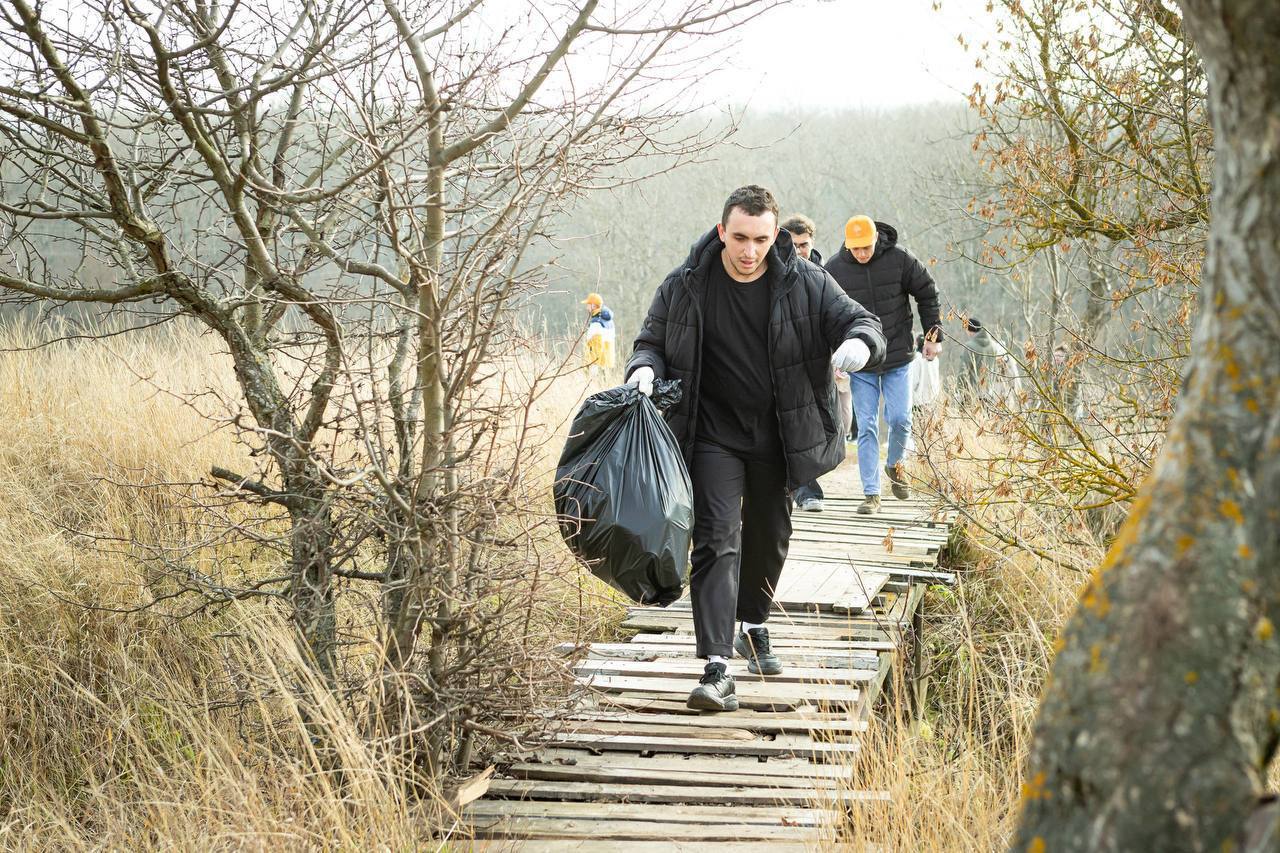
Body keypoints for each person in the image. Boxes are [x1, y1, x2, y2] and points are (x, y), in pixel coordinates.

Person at [625, 185, 886, 712]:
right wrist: (644, 371)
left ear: (776, 237)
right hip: (711, 436)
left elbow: (864, 322)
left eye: (761, 240)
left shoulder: (807, 283)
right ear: (722, 231)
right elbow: (649, 341)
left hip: (779, 436)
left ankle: (755, 624)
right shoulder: (686, 285)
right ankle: (716, 666)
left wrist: (859, 345)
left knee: (768, 537)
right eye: (740, 238)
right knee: (717, 538)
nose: (749, 251)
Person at [826, 215, 942, 515]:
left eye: (866, 247)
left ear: (876, 239)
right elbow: (825, 313)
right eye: (856, 248)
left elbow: (927, 292)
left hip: (898, 356)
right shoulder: (835, 269)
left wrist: (932, 336)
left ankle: (894, 465)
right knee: (866, 426)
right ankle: (871, 494)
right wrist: (835, 354)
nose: (861, 253)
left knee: (901, 420)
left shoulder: (900, 259)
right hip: (862, 361)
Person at [781, 214, 853, 513]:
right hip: (786, 364)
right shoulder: (775, 273)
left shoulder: (824, 274)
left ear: (812, 241)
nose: (799, 251)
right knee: (793, 427)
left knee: (825, 424)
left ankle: (803, 484)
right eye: (794, 245)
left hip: (819, 362)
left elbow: (838, 313)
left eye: (804, 245)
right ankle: (805, 491)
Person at [962, 317, 1022, 407]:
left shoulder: (994, 348)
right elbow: (1014, 376)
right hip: (993, 393)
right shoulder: (994, 347)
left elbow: (1012, 373)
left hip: (991, 393)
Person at [582, 292, 616, 373]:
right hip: (608, 361)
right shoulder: (609, 321)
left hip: (597, 364)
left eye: (588, 305)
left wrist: (590, 364)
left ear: (593, 305)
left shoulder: (596, 322)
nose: (587, 307)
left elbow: (595, 345)